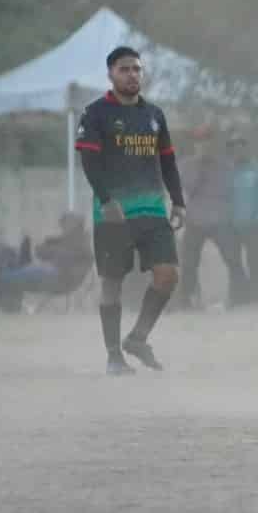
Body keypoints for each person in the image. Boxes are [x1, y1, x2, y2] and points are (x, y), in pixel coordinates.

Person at [73, 46, 185, 372]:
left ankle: (137, 337)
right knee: (112, 282)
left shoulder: (154, 115)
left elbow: (168, 160)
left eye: (137, 69)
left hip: (152, 210)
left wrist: (178, 201)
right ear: (111, 74)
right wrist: (106, 200)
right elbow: (89, 161)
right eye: (125, 69)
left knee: (168, 274)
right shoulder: (95, 113)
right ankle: (113, 356)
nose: (132, 75)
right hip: (114, 213)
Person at [178, 131, 238, 310]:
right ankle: (187, 298)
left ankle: (238, 296)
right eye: (199, 143)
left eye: (207, 142)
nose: (203, 146)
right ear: (194, 145)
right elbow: (190, 188)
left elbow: (229, 189)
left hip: (219, 219)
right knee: (189, 262)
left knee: (232, 258)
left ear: (213, 144)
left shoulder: (224, 165)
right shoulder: (186, 165)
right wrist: (200, 168)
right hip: (195, 220)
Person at [227, 134, 258, 306]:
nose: (238, 152)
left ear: (246, 149)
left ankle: (255, 296)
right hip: (231, 225)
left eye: (241, 148)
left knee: (253, 262)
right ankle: (236, 296)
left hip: (252, 225)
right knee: (233, 261)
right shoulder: (228, 171)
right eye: (234, 149)